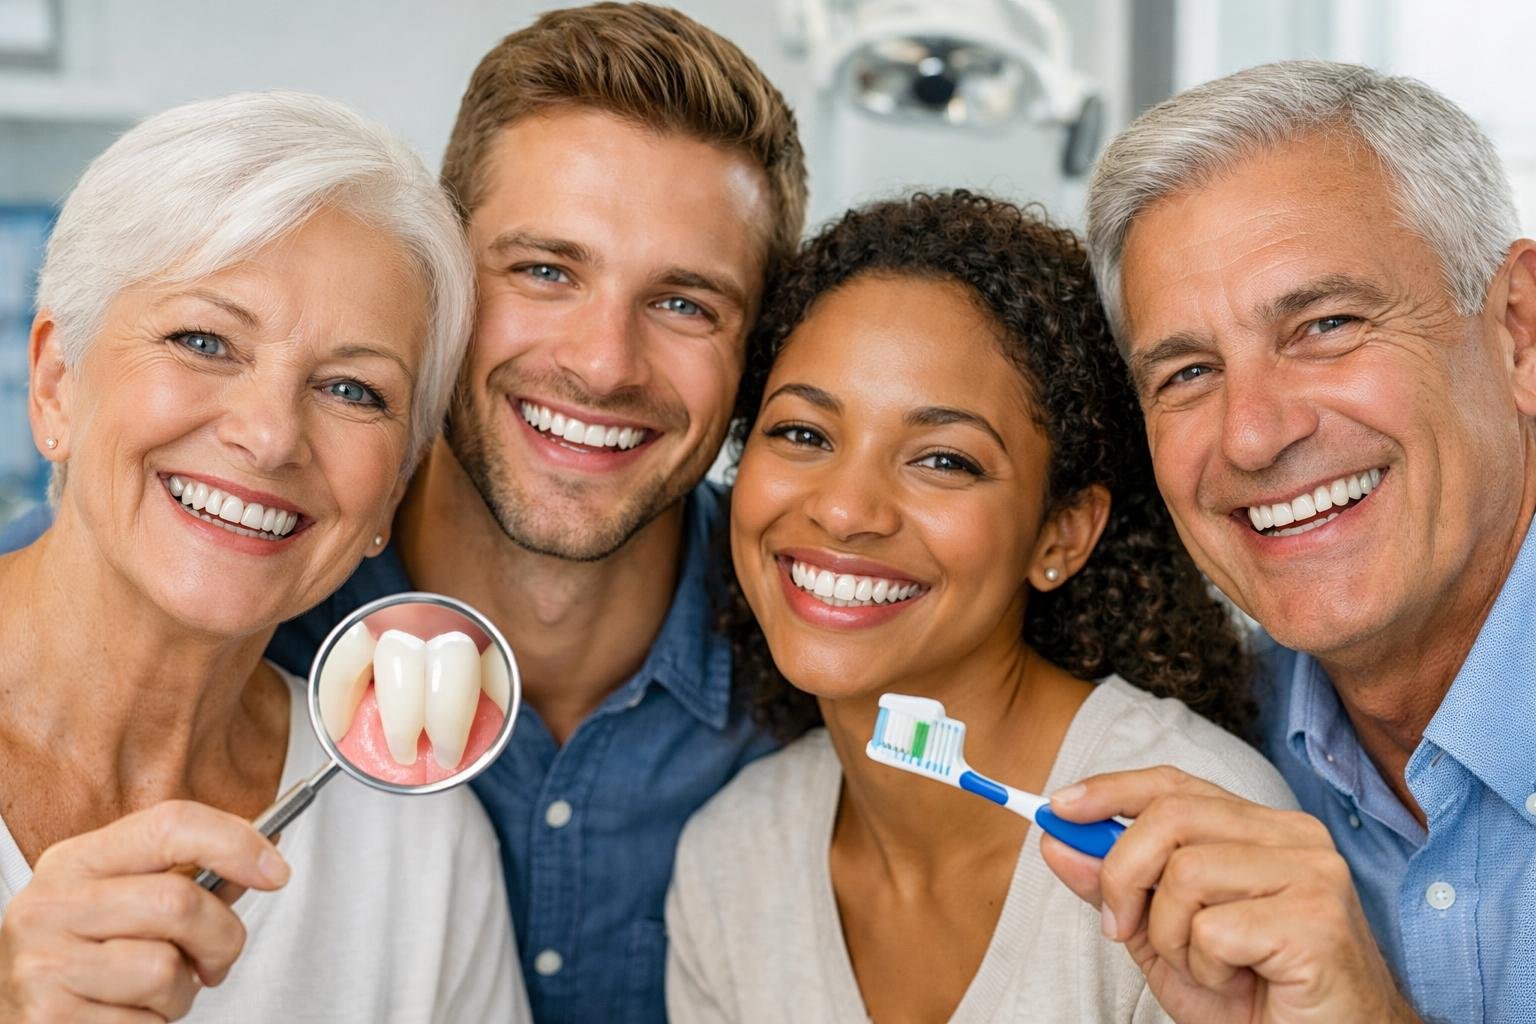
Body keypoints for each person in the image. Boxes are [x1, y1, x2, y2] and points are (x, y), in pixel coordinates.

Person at [256, 5, 807, 1020]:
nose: (603, 363)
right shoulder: (249, 599)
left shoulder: (826, 655)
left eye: (686, 302)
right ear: (442, 277)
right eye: (545, 270)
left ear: (756, 351)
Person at [664, 191, 1296, 1023]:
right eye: (804, 435)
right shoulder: (733, 858)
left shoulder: (1195, 838)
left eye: (943, 460)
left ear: (1061, 536)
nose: (847, 509)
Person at [0, 92, 528, 1021]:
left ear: (392, 493)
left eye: (354, 390)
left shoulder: (420, 849)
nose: (270, 435)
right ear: (55, 387)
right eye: (203, 341)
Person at [1038, 60, 1536, 1023]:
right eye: (1185, 372)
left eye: (1327, 324)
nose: (1253, 435)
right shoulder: (1203, 753)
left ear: (1518, 331)